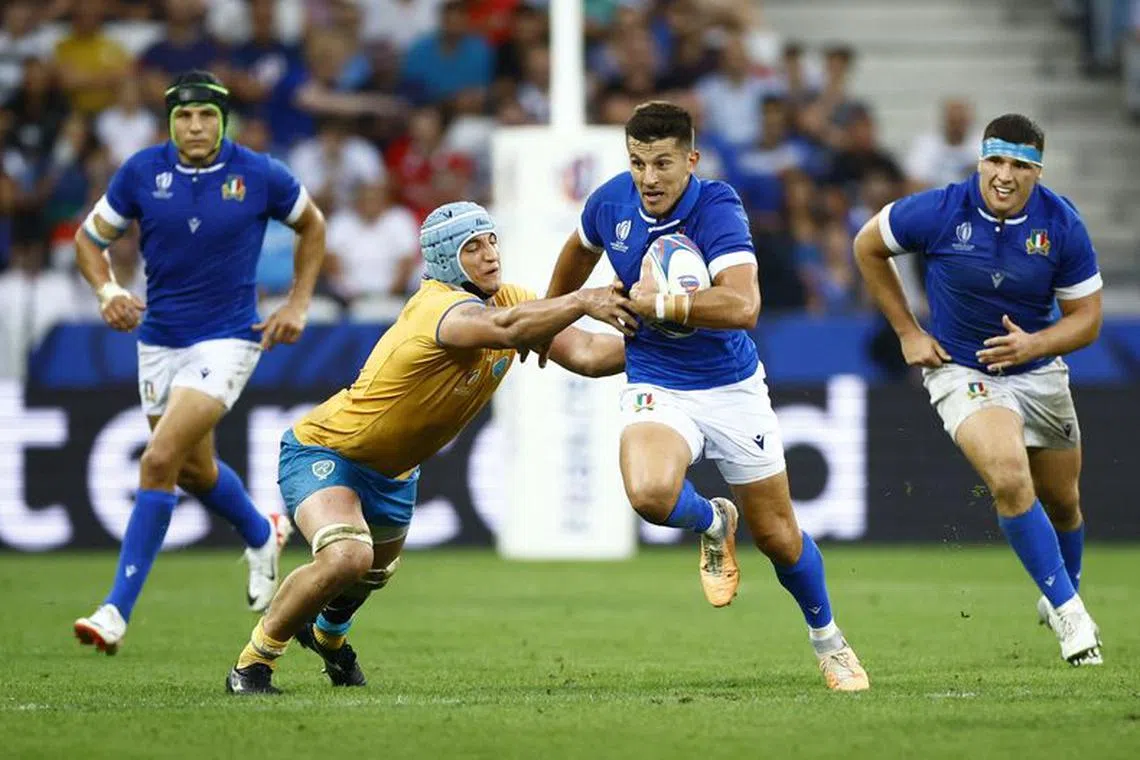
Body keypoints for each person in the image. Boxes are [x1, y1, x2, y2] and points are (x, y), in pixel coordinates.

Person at [225, 201, 635, 694]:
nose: (489, 255)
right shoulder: (437, 308)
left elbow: (589, 355)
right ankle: (251, 667)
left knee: (371, 574)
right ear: (445, 260)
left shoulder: (512, 299)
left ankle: (329, 639)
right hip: (327, 451)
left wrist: (669, 336)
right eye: (472, 247)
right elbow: (506, 329)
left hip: (395, 472)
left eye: (491, 241)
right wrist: (583, 300)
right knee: (346, 558)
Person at [542, 101, 870, 692]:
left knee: (778, 537)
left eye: (663, 163)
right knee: (648, 494)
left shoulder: (717, 207)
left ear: (690, 159)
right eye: (638, 162)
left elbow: (743, 307)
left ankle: (830, 641)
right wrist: (548, 313)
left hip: (730, 386)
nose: (649, 178)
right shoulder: (612, 201)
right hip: (655, 378)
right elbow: (577, 249)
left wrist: (659, 303)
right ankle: (713, 520)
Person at [72, 70, 326, 654]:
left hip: (230, 338)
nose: (195, 126)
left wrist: (298, 301)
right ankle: (263, 533)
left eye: (207, 115)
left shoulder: (257, 173)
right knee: (193, 470)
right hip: (158, 339)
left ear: (223, 119)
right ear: (170, 121)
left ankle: (114, 610)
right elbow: (89, 239)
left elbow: (312, 225)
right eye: (185, 116)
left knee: (159, 458)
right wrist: (108, 292)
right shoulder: (141, 172)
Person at [853, 113, 1104, 666]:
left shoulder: (1061, 224)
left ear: (1038, 171)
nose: (1004, 175)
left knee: (1064, 504)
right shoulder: (940, 210)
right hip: (963, 371)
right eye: (995, 161)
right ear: (979, 160)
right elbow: (867, 245)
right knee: (1011, 480)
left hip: (1039, 372)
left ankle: (1063, 587)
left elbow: (1086, 319)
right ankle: (1071, 615)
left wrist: (1034, 346)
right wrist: (907, 331)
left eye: (1020, 165)